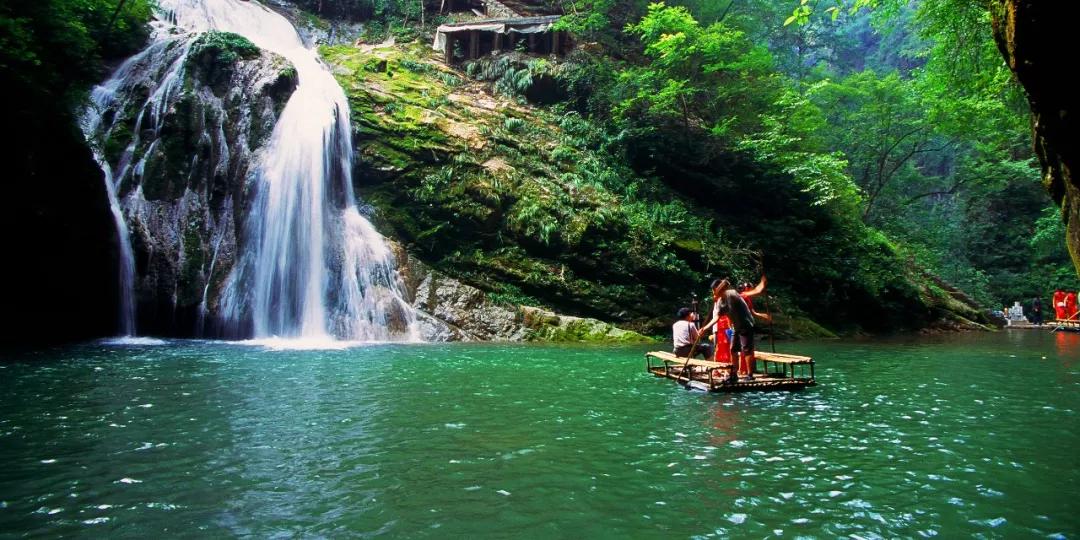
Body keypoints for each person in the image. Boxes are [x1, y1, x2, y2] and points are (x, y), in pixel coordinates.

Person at [699, 278, 756, 382]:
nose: (713, 293)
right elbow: (716, 318)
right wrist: (705, 328)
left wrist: (720, 289)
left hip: (746, 324)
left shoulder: (732, 294)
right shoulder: (721, 302)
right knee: (733, 349)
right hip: (736, 326)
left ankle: (750, 375)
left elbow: (727, 285)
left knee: (746, 350)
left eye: (714, 290)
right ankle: (734, 374)